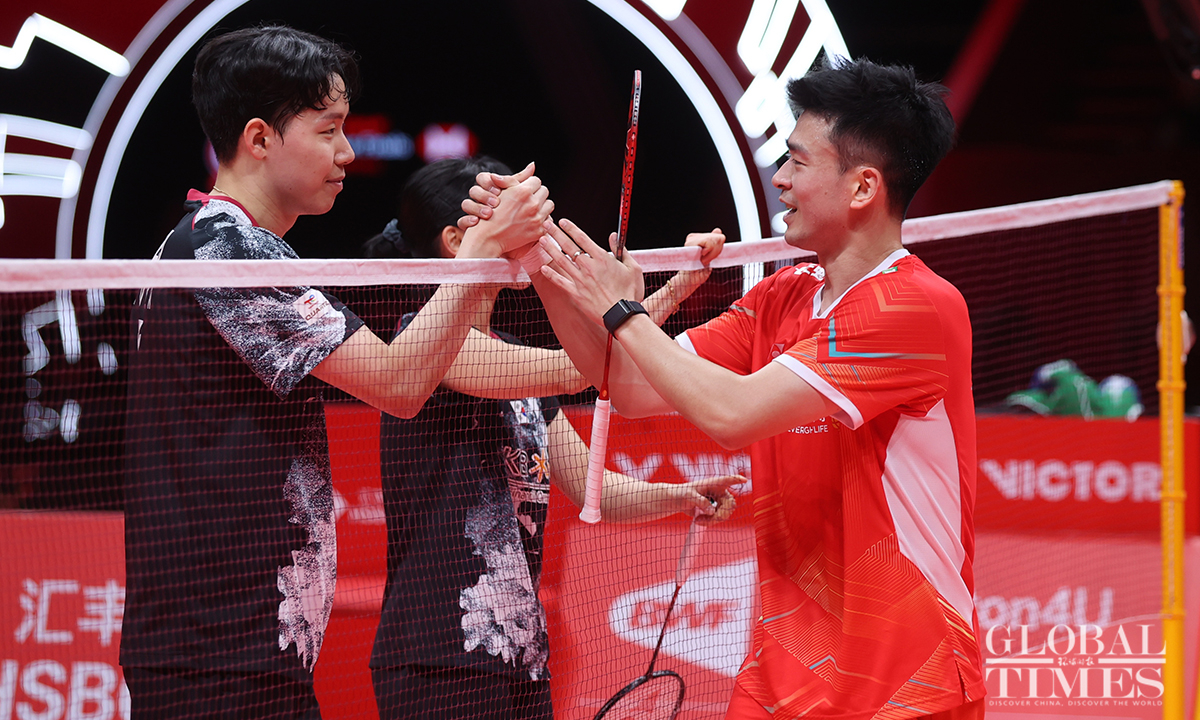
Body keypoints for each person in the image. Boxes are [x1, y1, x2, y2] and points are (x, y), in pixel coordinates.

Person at [469, 58, 986, 719]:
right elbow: (630, 385)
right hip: (781, 677)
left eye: (798, 161)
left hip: (905, 684)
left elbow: (732, 413)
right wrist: (540, 259)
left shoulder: (914, 306)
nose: (782, 179)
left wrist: (622, 310)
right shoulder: (783, 294)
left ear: (863, 187)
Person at [121, 26, 551, 719]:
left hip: (236, 652)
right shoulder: (228, 250)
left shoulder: (218, 243)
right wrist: (479, 256)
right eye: (329, 130)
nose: (348, 152)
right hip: (216, 655)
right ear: (260, 138)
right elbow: (398, 384)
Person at [362, 156, 741, 720]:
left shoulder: (515, 360)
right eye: (515, 218)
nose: (533, 234)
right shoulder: (429, 346)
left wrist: (680, 495)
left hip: (521, 659)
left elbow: (593, 488)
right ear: (457, 240)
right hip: (438, 659)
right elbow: (580, 368)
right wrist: (664, 296)